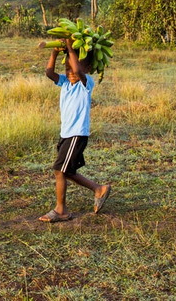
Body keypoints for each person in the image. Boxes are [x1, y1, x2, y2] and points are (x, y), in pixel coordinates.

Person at [39, 45, 111, 222]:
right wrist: (54, 53)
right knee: (67, 171)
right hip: (66, 134)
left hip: (76, 134)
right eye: (67, 68)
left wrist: (70, 47)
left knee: (59, 170)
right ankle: (98, 189)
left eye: (74, 68)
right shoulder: (64, 82)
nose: (70, 71)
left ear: (86, 69)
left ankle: (60, 210)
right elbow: (49, 72)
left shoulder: (86, 83)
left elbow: (78, 70)